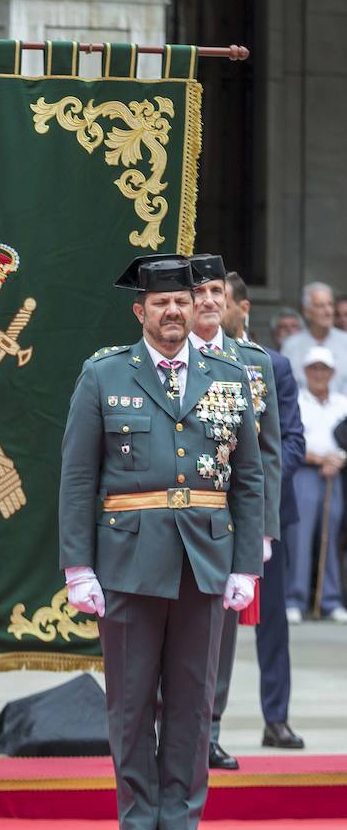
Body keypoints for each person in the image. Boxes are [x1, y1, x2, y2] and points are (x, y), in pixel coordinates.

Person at [59, 253, 262, 830]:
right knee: (130, 697)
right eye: (161, 303)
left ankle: (179, 822)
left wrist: (246, 564)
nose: (173, 310)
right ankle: (135, 820)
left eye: (183, 300)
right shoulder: (104, 375)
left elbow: (248, 478)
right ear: (140, 311)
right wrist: (78, 566)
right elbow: (76, 478)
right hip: (126, 558)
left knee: (194, 698)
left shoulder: (228, 375)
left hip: (205, 555)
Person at [185, 254, 282, 773]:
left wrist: (264, 526)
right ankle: (169, 730)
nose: (207, 301)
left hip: (229, 518)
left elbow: (266, 452)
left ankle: (211, 730)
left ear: (228, 303)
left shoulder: (253, 361)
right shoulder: (169, 354)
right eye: (198, 292)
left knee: (221, 636)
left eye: (215, 293)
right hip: (176, 513)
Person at [222, 271, 307, 749]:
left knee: (272, 621)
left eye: (222, 300)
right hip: (215, 512)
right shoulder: (199, 362)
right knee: (215, 627)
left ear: (243, 308)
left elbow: (292, 442)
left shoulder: (272, 366)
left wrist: (259, 486)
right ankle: (206, 724)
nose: (211, 308)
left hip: (271, 516)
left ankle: (276, 717)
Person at [283, 345, 347, 624]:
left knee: (331, 533)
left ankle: (330, 599)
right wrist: (319, 458)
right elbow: (291, 440)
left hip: (336, 473)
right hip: (305, 472)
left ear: (332, 373)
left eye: (324, 369)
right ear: (306, 371)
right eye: (314, 368)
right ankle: (294, 598)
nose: (319, 374)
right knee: (300, 535)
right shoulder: (297, 400)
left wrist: (339, 459)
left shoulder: (342, 402)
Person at [281, 282, 347, 393]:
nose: (328, 311)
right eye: (321, 306)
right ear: (307, 312)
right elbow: (285, 388)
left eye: (330, 304)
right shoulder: (291, 345)